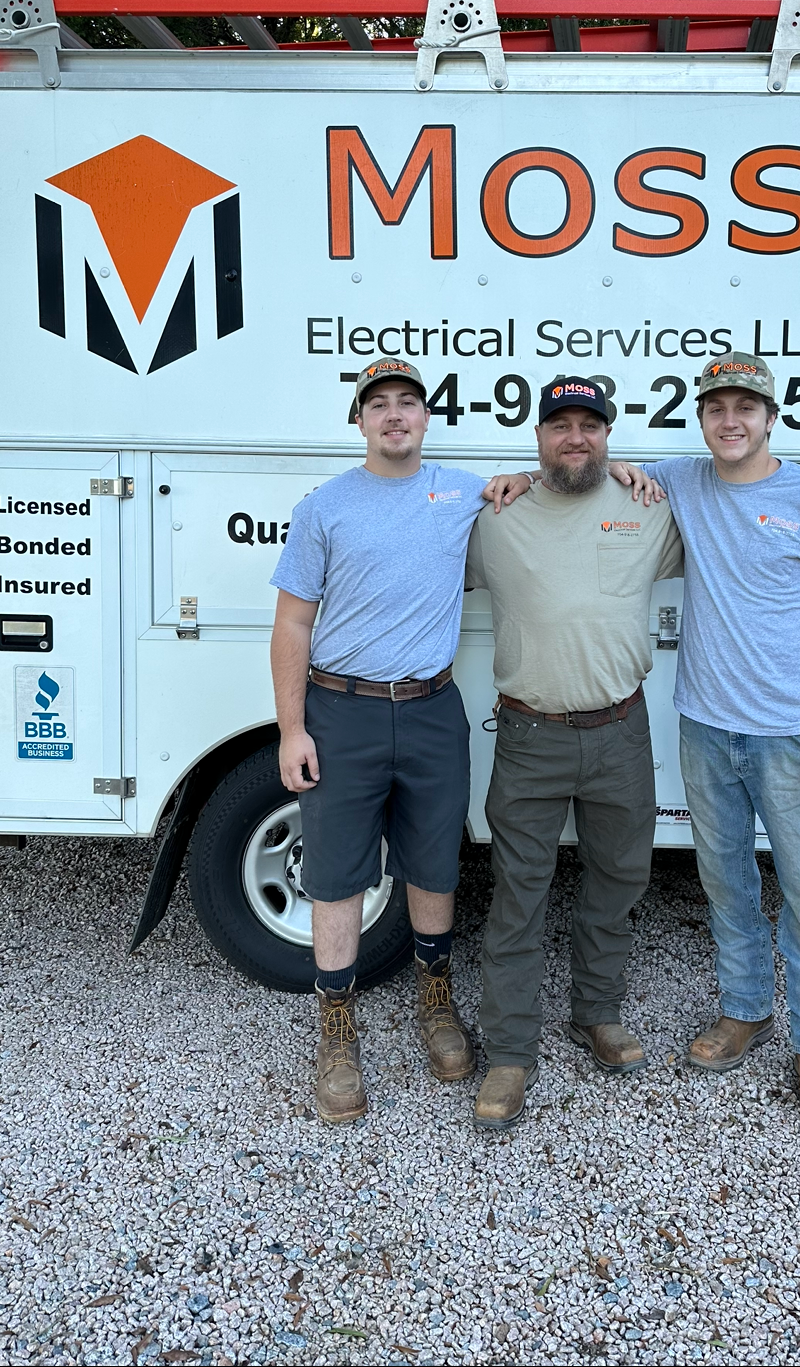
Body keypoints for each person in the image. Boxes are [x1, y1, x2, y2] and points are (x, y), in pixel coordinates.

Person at [270, 359, 658, 1126]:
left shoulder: (465, 494)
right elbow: (291, 622)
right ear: (358, 421)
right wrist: (290, 728)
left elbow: (549, 481)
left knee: (433, 861)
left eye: (406, 403)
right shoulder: (325, 506)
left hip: (430, 706)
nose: (393, 416)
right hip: (341, 707)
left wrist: (609, 468)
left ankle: (437, 1001)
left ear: (424, 418)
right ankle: (337, 1033)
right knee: (339, 874)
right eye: (377, 404)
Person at [628, 353, 800, 1124]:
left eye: (744, 407)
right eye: (714, 409)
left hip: (790, 741)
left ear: (772, 416)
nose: (728, 421)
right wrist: (511, 483)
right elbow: (590, 466)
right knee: (726, 884)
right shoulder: (684, 481)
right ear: (698, 418)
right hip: (705, 727)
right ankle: (744, 1010)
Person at [465, 377, 684, 1131]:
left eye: (588, 424)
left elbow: (724, 512)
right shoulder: (495, 513)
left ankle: (597, 1014)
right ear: (537, 437)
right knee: (517, 895)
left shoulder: (647, 506)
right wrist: (513, 482)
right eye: (559, 425)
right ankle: (508, 1052)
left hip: (621, 730)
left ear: (607, 435)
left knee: (619, 879)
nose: (575, 437)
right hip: (529, 736)